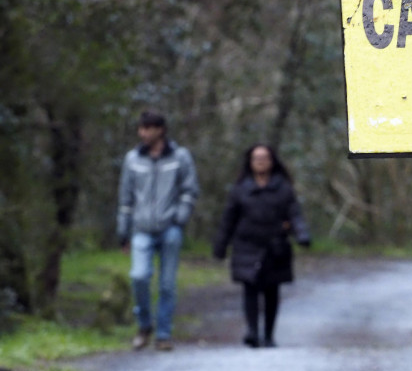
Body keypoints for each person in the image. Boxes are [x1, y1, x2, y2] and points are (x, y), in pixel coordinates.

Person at [212, 144, 310, 348]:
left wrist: (302, 235)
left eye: (264, 157)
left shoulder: (283, 188)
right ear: (250, 161)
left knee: (271, 291)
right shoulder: (241, 189)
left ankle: (268, 334)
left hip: (275, 247)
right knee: (250, 288)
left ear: (272, 161)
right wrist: (220, 245)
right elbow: (228, 219)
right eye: (256, 158)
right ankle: (252, 331)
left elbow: (295, 214)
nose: (260, 161)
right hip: (247, 245)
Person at [117, 110, 200, 351]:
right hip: (141, 228)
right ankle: (144, 325)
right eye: (141, 128)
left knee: (167, 284)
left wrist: (180, 218)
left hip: (169, 228)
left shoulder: (180, 157)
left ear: (160, 130)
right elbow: (125, 197)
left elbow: (189, 190)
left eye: (148, 128)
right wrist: (123, 231)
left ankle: (163, 334)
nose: (143, 133)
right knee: (139, 276)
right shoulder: (132, 159)